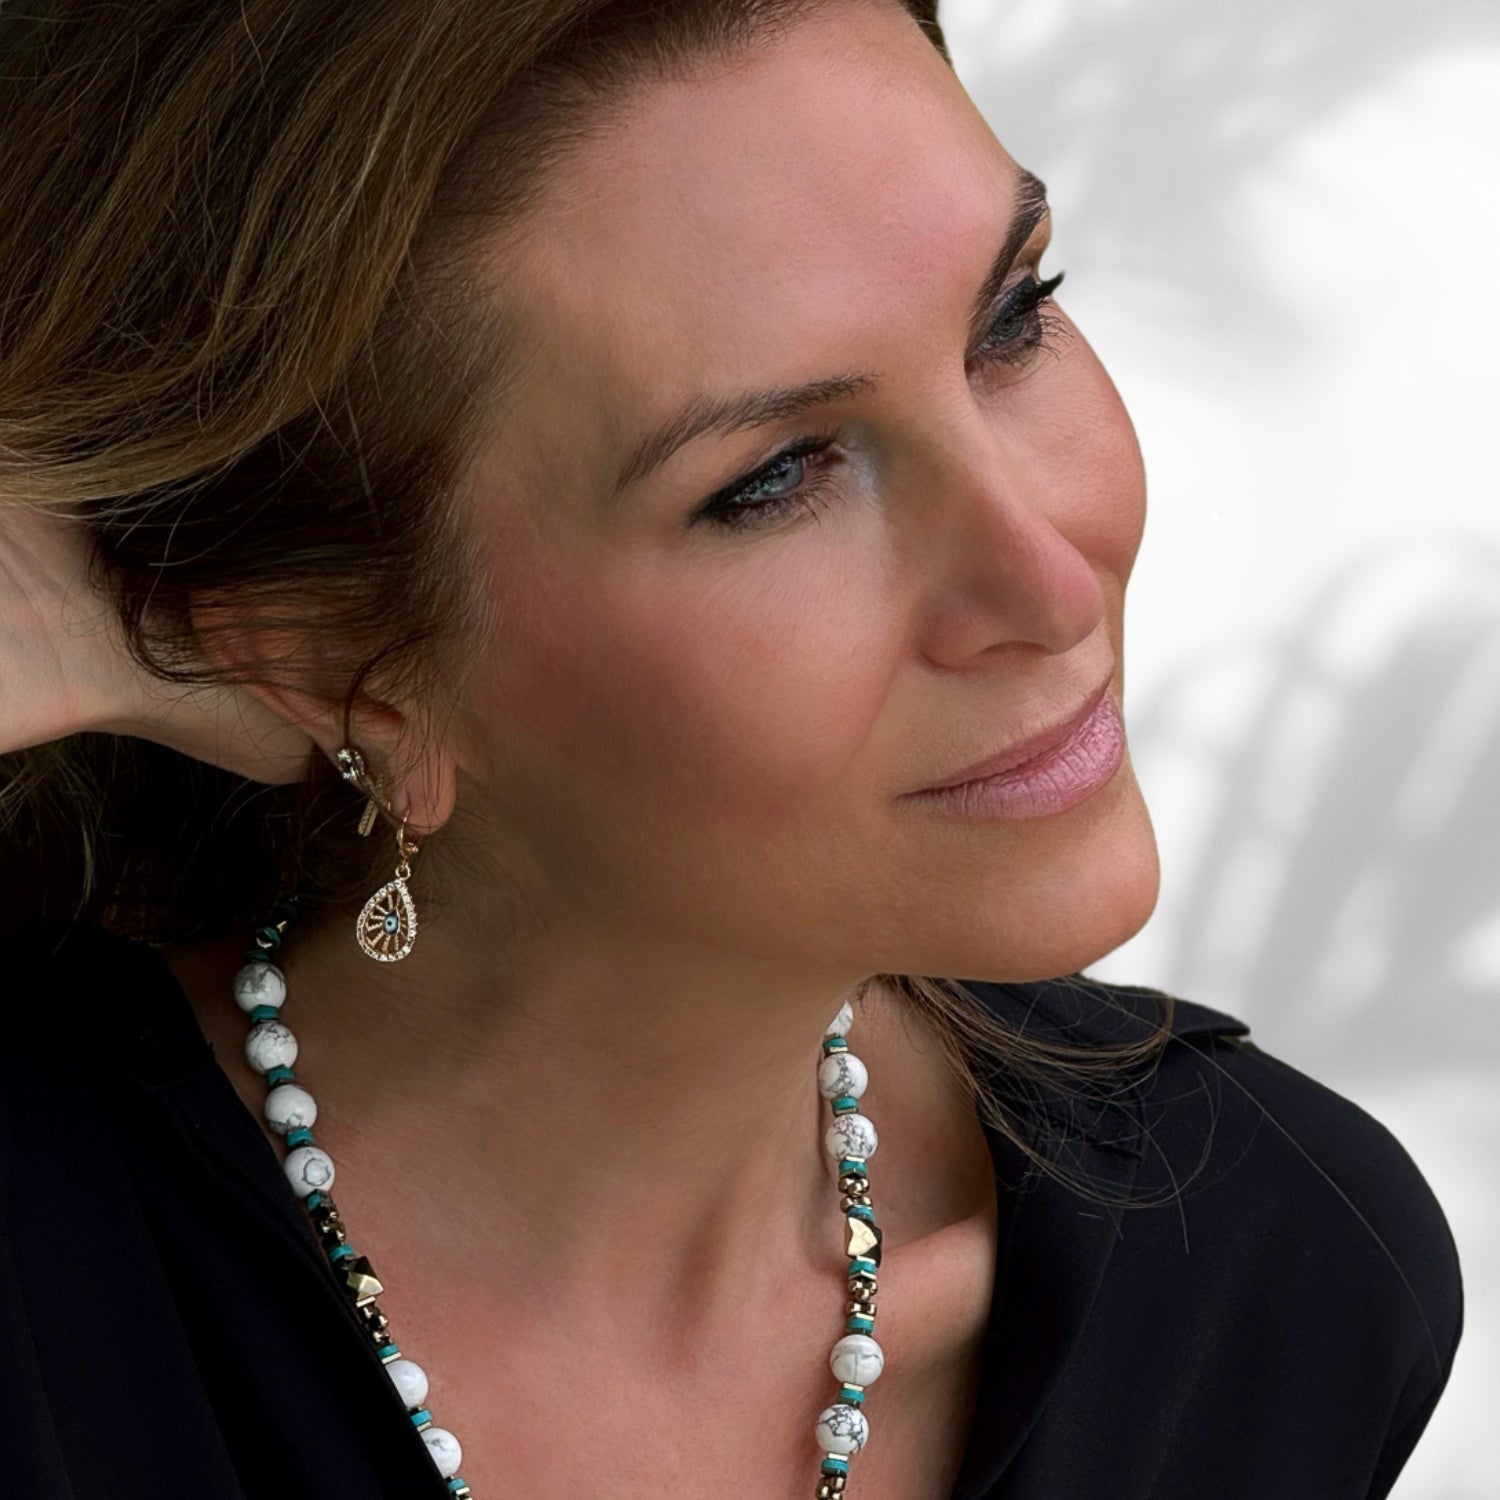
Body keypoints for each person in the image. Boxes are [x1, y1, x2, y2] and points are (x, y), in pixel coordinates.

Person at [0, 2, 1463, 1497]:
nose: (1048, 585)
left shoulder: (1275, 1284)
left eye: (1011, 322)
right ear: (333, 658)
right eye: (773, 478)